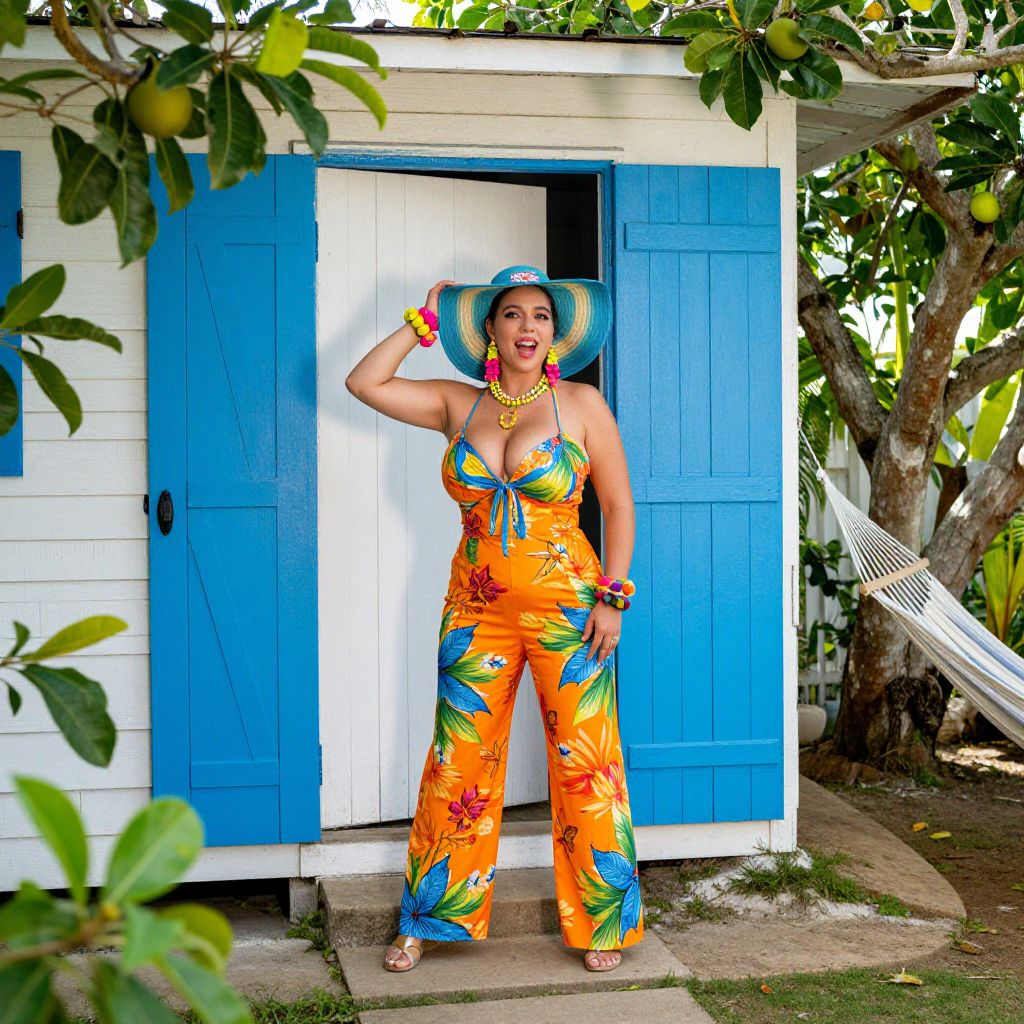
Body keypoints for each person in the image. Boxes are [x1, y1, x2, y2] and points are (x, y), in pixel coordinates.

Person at [345, 265, 644, 975]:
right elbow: (365, 383)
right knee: (458, 763)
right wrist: (420, 324)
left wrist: (613, 596)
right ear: (491, 331)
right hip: (475, 611)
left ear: (556, 333)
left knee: (587, 764)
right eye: (512, 315)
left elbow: (621, 506)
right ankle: (427, 916)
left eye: (541, 316)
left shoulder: (581, 405)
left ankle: (603, 925)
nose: (528, 327)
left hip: (571, 612)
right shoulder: (459, 404)